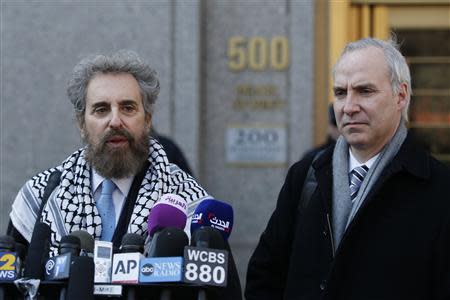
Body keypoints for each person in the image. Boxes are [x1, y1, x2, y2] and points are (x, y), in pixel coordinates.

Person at [8, 50, 241, 299]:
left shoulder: (189, 202)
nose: (115, 121)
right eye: (101, 109)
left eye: (128, 108)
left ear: (147, 119)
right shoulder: (41, 196)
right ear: (81, 124)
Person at [245, 37, 450, 300]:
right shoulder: (305, 176)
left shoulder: (439, 190)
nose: (349, 107)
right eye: (341, 92)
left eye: (365, 91)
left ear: (400, 96)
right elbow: (265, 276)